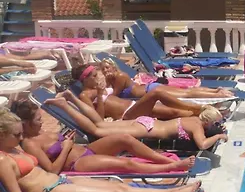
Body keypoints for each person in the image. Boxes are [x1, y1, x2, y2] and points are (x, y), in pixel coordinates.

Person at [0, 109, 202, 192]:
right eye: (16, 134)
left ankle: (170, 191)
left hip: (62, 180)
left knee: (118, 186)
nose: (21, 137)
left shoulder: (14, 149)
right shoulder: (3, 161)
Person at [14, 101, 195, 174]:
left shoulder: (40, 132)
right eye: (38, 120)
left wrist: (70, 141)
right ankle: (171, 166)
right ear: (26, 123)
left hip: (86, 150)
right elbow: (52, 171)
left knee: (124, 138)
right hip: (78, 163)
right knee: (125, 164)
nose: (42, 122)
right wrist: (67, 147)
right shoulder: (30, 144)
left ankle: (164, 159)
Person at [45, 91, 228, 151]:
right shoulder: (197, 126)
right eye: (213, 123)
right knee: (96, 131)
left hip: (146, 122)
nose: (213, 126)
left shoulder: (193, 117)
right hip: (146, 130)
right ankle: (65, 105)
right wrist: (218, 136)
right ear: (207, 121)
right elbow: (203, 145)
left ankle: (71, 97)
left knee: (101, 124)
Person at [73, 64, 206, 121]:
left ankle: (204, 117)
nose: (98, 77)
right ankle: (198, 108)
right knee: (156, 92)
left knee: (174, 112)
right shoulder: (84, 95)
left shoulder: (97, 87)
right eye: (95, 76)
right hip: (127, 115)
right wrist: (100, 94)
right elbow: (98, 119)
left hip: (133, 105)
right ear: (85, 80)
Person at [100, 58, 234, 99]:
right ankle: (216, 91)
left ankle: (217, 94)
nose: (105, 70)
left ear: (113, 66)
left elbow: (114, 96)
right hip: (150, 89)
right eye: (103, 69)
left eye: (107, 67)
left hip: (150, 91)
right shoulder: (113, 78)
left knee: (185, 94)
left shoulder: (120, 76)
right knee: (186, 92)